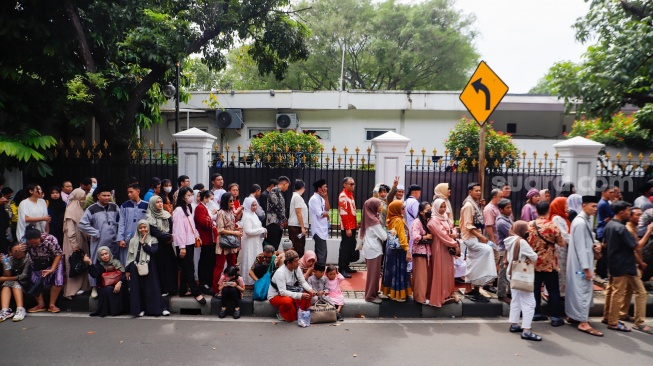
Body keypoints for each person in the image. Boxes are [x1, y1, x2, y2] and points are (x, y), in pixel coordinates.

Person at [601, 201, 653, 333]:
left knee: (612, 291)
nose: (629, 212)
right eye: (628, 210)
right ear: (621, 212)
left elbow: (604, 244)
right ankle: (613, 322)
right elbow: (637, 247)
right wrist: (649, 232)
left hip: (613, 262)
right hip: (622, 264)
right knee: (619, 293)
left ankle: (608, 317)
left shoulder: (609, 225)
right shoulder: (621, 228)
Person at [566, 195, 603, 336]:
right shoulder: (581, 222)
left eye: (596, 206)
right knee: (582, 291)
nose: (595, 209)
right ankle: (583, 322)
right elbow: (581, 248)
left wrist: (595, 246)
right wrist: (587, 269)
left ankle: (573, 316)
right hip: (581, 266)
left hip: (580, 264)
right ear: (584, 206)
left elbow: (586, 242)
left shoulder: (585, 220)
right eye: (593, 206)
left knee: (577, 291)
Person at [526, 201, 566, 327]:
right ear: (548, 211)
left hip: (534, 262)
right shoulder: (552, 226)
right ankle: (554, 317)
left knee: (535, 290)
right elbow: (562, 243)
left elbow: (526, 241)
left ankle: (536, 313)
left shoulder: (530, 225)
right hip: (549, 263)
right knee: (553, 290)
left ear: (536, 211)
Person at [78, 185, 120, 298]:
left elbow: (121, 221)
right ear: (98, 196)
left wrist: (119, 235)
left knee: (114, 262)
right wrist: (95, 233)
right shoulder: (92, 209)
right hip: (99, 241)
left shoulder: (115, 207)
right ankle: (94, 287)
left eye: (108, 195)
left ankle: (112, 283)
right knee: (95, 263)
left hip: (113, 241)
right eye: (104, 195)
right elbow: (82, 223)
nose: (107, 198)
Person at [504, 221, 542, 341]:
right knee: (530, 303)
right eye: (526, 230)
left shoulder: (511, 240)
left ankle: (514, 324)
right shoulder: (522, 242)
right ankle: (526, 330)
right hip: (522, 276)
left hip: (512, 274)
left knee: (516, 300)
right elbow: (534, 257)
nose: (528, 232)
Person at [617, 206, 653, 333]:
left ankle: (622, 313)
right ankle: (639, 323)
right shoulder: (628, 229)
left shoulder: (634, 228)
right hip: (630, 265)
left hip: (632, 264)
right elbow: (636, 248)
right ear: (630, 216)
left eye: (641, 214)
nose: (640, 217)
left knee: (628, 290)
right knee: (641, 293)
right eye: (637, 214)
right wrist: (641, 263)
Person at [460, 182, 496, 302]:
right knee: (487, 251)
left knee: (473, 262)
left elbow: (477, 220)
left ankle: (472, 289)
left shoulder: (474, 204)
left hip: (474, 238)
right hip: (471, 238)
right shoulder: (469, 205)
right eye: (476, 191)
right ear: (470, 192)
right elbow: (468, 225)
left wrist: (480, 207)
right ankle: (476, 286)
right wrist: (480, 237)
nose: (479, 193)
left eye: (480, 191)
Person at [172, 186, 206, 305]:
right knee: (189, 268)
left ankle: (182, 290)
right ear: (182, 197)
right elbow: (178, 230)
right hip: (184, 244)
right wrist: (182, 246)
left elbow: (191, 226)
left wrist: (196, 235)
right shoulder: (178, 211)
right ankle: (196, 292)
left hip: (190, 241)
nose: (191, 197)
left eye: (191, 195)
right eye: (188, 195)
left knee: (187, 267)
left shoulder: (187, 208)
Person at [125, 220, 166, 316]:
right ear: (138, 229)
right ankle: (139, 310)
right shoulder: (133, 240)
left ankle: (155, 310)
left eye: (145, 227)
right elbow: (129, 257)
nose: (143, 229)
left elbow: (153, 251)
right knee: (138, 289)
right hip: (135, 267)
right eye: (141, 227)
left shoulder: (153, 239)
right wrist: (127, 270)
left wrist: (143, 243)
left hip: (149, 267)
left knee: (151, 288)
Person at [23, 227, 63, 313]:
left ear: (39, 237)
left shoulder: (50, 239)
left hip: (53, 260)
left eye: (35, 242)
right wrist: (18, 250)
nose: (33, 245)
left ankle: (52, 304)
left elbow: (58, 254)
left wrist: (52, 269)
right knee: (34, 281)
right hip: (36, 262)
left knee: (58, 280)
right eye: (31, 243)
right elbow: (22, 254)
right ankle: (40, 304)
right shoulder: (24, 241)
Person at [428, 199, 460, 307]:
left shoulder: (446, 217)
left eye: (444, 206)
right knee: (440, 271)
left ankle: (447, 294)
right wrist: (454, 243)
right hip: (439, 247)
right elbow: (442, 235)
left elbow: (453, 228)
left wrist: (454, 234)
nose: (443, 209)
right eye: (440, 207)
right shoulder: (433, 220)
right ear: (436, 207)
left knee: (448, 271)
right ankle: (439, 296)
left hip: (448, 247)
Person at [267, 250, 314, 322]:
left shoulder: (296, 268)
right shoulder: (281, 273)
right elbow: (282, 292)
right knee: (288, 301)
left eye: (298, 260)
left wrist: (310, 290)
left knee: (308, 293)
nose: (298, 263)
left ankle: (302, 312)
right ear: (288, 263)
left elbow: (302, 282)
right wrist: (300, 295)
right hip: (276, 295)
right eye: (296, 261)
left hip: (291, 291)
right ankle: (282, 313)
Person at [146, 194, 176, 297]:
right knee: (160, 268)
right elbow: (154, 232)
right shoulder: (149, 217)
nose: (160, 204)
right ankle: (163, 289)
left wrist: (170, 236)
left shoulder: (167, 214)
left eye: (161, 202)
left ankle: (171, 288)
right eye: (157, 202)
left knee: (170, 267)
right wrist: (168, 237)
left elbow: (172, 228)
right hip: (157, 246)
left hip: (168, 246)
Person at [62, 188, 90, 299]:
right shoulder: (70, 210)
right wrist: (74, 245)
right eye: (82, 197)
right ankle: (71, 291)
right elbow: (70, 230)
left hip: (81, 239)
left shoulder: (79, 208)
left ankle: (82, 287)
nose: (84, 199)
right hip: (73, 242)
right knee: (73, 263)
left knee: (82, 262)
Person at [382, 200, 412, 301]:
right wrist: (407, 249)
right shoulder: (398, 220)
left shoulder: (391, 219)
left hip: (391, 248)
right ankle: (398, 294)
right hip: (399, 249)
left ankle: (390, 292)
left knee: (391, 269)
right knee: (399, 270)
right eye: (402, 208)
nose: (404, 210)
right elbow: (402, 237)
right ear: (396, 209)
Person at [360, 197, 388, 304]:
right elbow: (384, 236)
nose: (381, 207)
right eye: (379, 205)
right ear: (373, 207)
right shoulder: (374, 220)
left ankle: (374, 292)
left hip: (369, 248)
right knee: (373, 275)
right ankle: (370, 296)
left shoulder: (368, 217)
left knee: (375, 274)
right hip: (374, 250)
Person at [85, 246, 126, 317]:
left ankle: (120, 310)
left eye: (106, 253)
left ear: (109, 253)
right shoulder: (99, 265)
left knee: (122, 287)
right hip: (104, 286)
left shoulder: (116, 262)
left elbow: (123, 274)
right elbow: (94, 274)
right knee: (109, 289)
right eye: (102, 255)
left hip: (117, 283)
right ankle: (112, 311)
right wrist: (90, 263)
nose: (105, 256)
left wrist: (119, 283)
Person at [213, 192, 241, 293]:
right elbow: (220, 230)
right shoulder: (221, 212)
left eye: (233, 200)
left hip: (232, 241)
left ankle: (232, 287)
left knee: (232, 265)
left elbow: (232, 224)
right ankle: (216, 289)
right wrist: (235, 232)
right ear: (225, 201)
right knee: (220, 266)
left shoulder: (230, 211)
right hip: (223, 243)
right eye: (230, 201)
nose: (233, 202)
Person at [117, 183, 148, 265]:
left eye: (131, 192)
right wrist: (121, 239)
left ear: (138, 191)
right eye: (128, 192)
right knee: (126, 261)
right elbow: (121, 223)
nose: (129, 194)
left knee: (140, 260)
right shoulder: (124, 206)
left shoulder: (146, 205)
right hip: (127, 239)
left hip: (142, 237)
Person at [0, 243, 32, 322]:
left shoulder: (28, 257)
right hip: (13, 282)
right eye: (15, 251)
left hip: (27, 284)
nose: (17, 252)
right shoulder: (10, 258)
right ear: (11, 252)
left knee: (12, 282)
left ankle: (20, 309)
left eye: (19, 250)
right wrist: (4, 263)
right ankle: (5, 310)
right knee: (6, 284)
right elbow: (7, 274)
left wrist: (5, 278)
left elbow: (24, 276)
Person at [194, 190, 217, 295]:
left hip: (210, 238)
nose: (211, 201)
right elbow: (204, 222)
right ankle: (203, 283)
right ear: (205, 198)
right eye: (210, 198)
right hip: (205, 238)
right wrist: (212, 218)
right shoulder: (200, 208)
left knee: (209, 261)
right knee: (204, 262)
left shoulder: (204, 207)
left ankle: (208, 282)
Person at [241, 197, 267, 287]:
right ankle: (248, 280)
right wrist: (261, 230)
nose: (254, 207)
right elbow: (248, 231)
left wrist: (262, 232)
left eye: (256, 205)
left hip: (256, 241)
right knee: (249, 258)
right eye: (252, 205)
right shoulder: (247, 216)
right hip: (249, 242)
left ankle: (255, 279)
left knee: (255, 259)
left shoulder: (254, 215)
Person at [411, 201, 433, 304]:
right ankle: (419, 298)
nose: (430, 212)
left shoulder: (426, 221)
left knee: (425, 276)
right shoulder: (417, 222)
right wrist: (426, 237)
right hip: (419, 252)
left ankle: (424, 296)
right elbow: (415, 237)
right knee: (420, 277)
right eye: (427, 210)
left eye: (430, 210)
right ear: (421, 212)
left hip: (426, 252)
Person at [549, 197, 571, 297]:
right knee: (560, 271)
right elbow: (564, 235)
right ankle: (559, 293)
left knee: (562, 271)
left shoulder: (562, 217)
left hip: (563, 248)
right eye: (565, 204)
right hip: (560, 249)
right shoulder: (557, 218)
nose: (567, 207)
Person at [338, 177, 359, 278]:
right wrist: (347, 228)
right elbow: (343, 213)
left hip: (352, 225)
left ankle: (346, 266)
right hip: (347, 227)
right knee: (345, 248)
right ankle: (342, 268)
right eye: (350, 184)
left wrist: (355, 224)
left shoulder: (350, 195)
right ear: (344, 185)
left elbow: (352, 211)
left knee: (350, 247)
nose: (353, 186)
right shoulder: (343, 196)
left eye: (353, 184)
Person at [482, 189, 502, 294]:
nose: (502, 199)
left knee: (496, 260)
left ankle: (492, 281)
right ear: (494, 197)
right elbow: (489, 225)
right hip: (492, 239)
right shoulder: (489, 209)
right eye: (500, 197)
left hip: (497, 239)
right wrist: (493, 240)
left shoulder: (496, 207)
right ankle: (488, 283)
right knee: (493, 260)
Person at [495, 198, 514, 303]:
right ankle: (501, 294)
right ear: (501, 209)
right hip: (504, 250)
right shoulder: (502, 222)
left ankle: (509, 292)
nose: (510, 209)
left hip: (509, 249)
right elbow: (513, 232)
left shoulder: (507, 218)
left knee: (510, 272)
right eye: (507, 208)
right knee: (503, 273)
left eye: (510, 207)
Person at [595, 186, 616, 279]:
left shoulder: (605, 203)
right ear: (603, 192)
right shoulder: (603, 203)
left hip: (603, 229)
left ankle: (600, 272)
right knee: (604, 253)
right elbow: (614, 215)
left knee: (604, 253)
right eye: (610, 192)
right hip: (603, 229)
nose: (612, 194)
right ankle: (602, 273)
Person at [308, 179, 330, 264]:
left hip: (323, 229)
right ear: (319, 189)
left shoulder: (322, 198)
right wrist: (326, 215)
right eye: (325, 187)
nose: (326, 188)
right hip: (318, 229)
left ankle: (318, 271)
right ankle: (321, 271)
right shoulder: (314, 199)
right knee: (322, 253)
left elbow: (327, 209)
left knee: (319, 252)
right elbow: (320, 214)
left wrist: (326, 197)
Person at [266, 176, 289, 250]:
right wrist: (283, 218)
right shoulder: (274, 191)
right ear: (284, 183)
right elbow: (276, 207)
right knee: (273, 244)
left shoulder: (279, 192)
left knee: (276, 245)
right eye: (287, 186)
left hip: (278, 223)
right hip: (273, 222)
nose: (287, 188)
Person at [288, 180, 308, 257]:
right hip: (296, 226)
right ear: (302, 188)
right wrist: (302, 227)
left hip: (297, 225)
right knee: (298, 247)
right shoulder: (297, 197)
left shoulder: (296, 197)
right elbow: (298, 212)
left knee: (298, 246)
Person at [404, 185, 421, 268]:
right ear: (416, 192)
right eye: (419, 192)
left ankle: (408, 267)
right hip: (413, 228)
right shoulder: (414, 202)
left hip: (407, 228)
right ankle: (411, 268)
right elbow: (417, 216)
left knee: (408, 247)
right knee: (411, 248)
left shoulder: (406, 201)